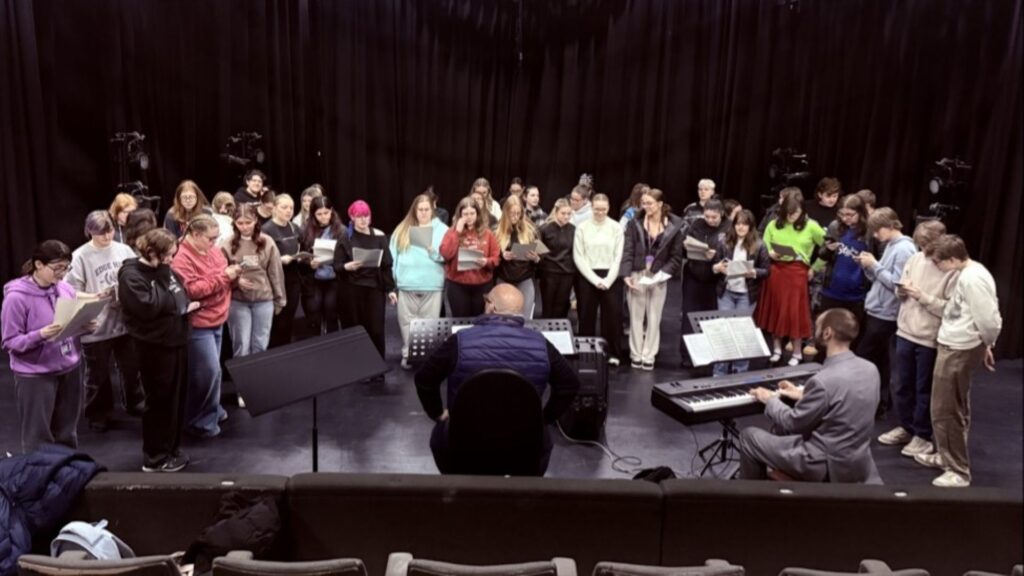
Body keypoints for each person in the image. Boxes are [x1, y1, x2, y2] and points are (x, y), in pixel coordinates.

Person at [413, 284, 581, 474]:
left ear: (491, 306)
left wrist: (437, 412)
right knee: (543, 440)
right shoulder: (541, 343)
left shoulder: (460, 340)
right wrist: (543, 418)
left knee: (440, 436)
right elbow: (570, 384)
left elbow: (424, 379)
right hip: (524, 446)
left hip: (465, 444)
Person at [739, 308, 881, 484]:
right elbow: (846, 401)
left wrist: (770, 400)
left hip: (822, 462)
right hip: (857, 460)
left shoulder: (823, 381)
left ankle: (749, 502)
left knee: (749, 437)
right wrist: (803, 395)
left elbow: (793, 423)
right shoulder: (870, 369)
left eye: (818, 326)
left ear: (827, 333)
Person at [913, 235, 1002, 488]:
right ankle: (946, 456)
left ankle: (958, 471)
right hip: (955, 344)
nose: (937, 267)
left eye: (939, 262)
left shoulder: (973, 278)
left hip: (958, 348)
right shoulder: (966, 274)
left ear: (953, 259)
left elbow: (990, 318)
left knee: (946, 411)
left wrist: (988, 343)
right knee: (952, 407)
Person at [118, 228, 197, 472]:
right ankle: (155, 458)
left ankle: (170, 450)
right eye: (167, 256)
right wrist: (174, 302)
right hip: (155, 348)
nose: (171, 261)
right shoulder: (132, 275)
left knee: (175, 400)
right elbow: (150, 307)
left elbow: (178, 295)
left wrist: (179, 306)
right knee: (160, 401)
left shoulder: (163, 270)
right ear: (151, 252)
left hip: (176, 341)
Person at [1, 240, 92, 452]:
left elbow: (66, 327)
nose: (62, 273)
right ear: (38, 265)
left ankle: (66, 473)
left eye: (66, 267)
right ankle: (40, 477)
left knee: (67, 432)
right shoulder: (16, 298)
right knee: (38, 435)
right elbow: (9, 342)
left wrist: (84, 327)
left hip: (69, 367)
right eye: (57, 268)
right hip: (36, 374)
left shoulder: (64, 288)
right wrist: (39, 335)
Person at [876, 221, 956, 458]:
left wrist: (922, 297)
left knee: (924, 389)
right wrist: (902, 290)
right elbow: (901, 288)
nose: (924, 251)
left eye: (927, 246)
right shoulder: (916, 258)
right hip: (905, 331)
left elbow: (949, 309)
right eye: (920, 245)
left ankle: (922, 435)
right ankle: (906, 426)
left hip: (929, 337)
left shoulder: (950, 269)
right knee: (901, 385)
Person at [66, 211, 145, 432]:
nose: (107, 237)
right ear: (89, 231)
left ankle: (135, 401)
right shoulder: (80, 256)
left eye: (109, 231)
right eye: (101, 234)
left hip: (124, 321)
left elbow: (136, 276)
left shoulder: (123, 250)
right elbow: (70, 291)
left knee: (131, 367)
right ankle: (98, 412)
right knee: (97, 373)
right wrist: (97, 296)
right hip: (96, 325)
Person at [172, 214, 239, 438]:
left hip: (217, 317)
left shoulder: (213, 250)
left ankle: (211, 409)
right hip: (198, 323)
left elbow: (218, 276)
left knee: (213, 372)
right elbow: (192, 290)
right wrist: (223, 277)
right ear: (195, 235)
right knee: (207, 372)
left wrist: (231, 276)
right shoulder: (181, 258)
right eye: (211, 239)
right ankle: (198, 420)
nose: (214, 243)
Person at [854, 208, 917, 418]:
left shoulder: (904, 250)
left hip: (886, 314)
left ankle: (873, 403)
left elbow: (898, 287)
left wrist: (875, 266)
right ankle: (880, 403)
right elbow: (880, 280)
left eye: (876, 230)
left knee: (866, 358)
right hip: (877, 309)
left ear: (890, 226)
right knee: (879, 360)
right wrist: (868, 266)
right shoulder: (891, 245)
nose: (874, 235)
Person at [755, 190, 826, 366]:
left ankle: (797, 352)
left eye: (795, 213)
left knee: (794, 312)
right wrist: (771, 254)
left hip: (797, 273)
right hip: (776, 271)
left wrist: (814, 268)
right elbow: (764, 246)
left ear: (802, 210)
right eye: (789, 213)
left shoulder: (811, 225)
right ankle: (777, 348)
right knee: (776, 310)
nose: (792, 217)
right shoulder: (773, 224)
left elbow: (827, 247)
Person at [620, 188, 684, 370]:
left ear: (660, 204)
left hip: (659, 275)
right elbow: (628, 250)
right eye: (644, 203)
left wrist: (662, 274)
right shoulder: (635, 223)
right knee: (636, 317)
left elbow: (676, 258)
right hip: (638, 273)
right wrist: (626, 274)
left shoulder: (674, 226)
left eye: (649, 203)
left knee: (655, 317)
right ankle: (636, 354)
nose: (645, 206)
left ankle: (649, 354)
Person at [390, 193, 448, 369]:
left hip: (432, 283)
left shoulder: (443, 230)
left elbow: (447, 256)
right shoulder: (402, 228)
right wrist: (394, 282)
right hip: (406, 284)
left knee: (429, 322)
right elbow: (393, 257)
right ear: (414, 210)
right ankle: (408, 354)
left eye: (426, 209)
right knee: (407, 321)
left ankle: (425, 356)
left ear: (432, 210)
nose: (423, 213)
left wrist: (431, 250)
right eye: (420, 209)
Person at [219, 204, 285, 358]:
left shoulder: (267, 242)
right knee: (241, 345)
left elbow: (275, 272)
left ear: (255, 220)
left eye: (248, 222)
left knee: (260, 345)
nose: (244, 227)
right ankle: (242, 380)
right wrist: (236, 282)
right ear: (234, 223)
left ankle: (258, 379)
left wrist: (279, 298)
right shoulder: (226, 245)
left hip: (263, 300)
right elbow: (220, 276)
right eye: (240, 223)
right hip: (238, 301)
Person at [711, 209, 770, 375]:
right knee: (723, 333)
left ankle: (740, 371)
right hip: (726, 292)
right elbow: (716, 264)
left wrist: (754, 273)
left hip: (746, 294)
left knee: (742, 333)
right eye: (738, 224)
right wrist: (717, 268)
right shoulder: (724, 241)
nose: (741, 227)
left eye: (744, 224)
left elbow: (766, 271)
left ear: (750, 226)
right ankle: (719, 371)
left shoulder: (759, 244)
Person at [334, 200, 396, 359]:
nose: (363, 220)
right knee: (356, 329)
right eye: (359, 217)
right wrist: (347, 266)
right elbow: (337, 265)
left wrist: (390, 289)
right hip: (352, 289)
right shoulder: (345, 237)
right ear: (352, 218)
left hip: (374, 288)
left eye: (366, 216)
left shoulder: (379, 236)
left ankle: (377, 366)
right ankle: (360, 365)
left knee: (376, 329)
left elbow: (386, 265)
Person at [573, 193, 624, 365]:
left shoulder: (616, 228)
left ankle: (612, 354)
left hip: (611, 276)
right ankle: (586, 353)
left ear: (608, 208)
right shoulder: (582, 228)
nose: (600, 212)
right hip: (587, 275)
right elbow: (579, 256)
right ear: (591, 208)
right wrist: (595, 280)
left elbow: (618, 256)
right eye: (597, 209)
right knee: (586, 315)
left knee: (612, 317)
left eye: (603, 209)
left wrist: (608, 280)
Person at [678, 199, 728, 367]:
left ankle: (709, 356)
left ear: (721, 213)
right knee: (689, 316)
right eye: (707, 216)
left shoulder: (728, 227)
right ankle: (687, 355)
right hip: (694, 274)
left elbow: (733, 252)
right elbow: (683, 247)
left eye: (714, 217)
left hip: (715, 279)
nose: (710, 220)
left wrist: (715, 255)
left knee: (711, 319)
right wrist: (689, 247)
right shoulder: (697, 225)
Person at [440, 196, 500, 317]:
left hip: (482, 285)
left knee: (480, 321)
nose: (469, 217)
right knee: (460, 321)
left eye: (472, 213)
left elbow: (496, 257)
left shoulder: (487, 233)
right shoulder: (451, 232)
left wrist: (487, 262)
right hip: (458, 285)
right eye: (465, 214)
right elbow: (446, 254)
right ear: (459, 215)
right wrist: (457, 232)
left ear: (477, 214)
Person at [817, 194, 872, 326]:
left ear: (861, 212)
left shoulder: (869, 231)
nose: (845, 218)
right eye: (842, 214)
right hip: (831, 290)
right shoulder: (835, 226)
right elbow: (822, 255)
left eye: (850, 215)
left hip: (856, 294)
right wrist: (828, 249)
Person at [299, 196, 346, 335]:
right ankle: (316, 343)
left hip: (334, 277)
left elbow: (346, 255)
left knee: (331, 310)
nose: (323, 217)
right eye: (319, 214)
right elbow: (302, 255)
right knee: (314, 311)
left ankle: (333, 343)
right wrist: (309, 262)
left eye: (326, 213)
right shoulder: (306, 230)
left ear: (331, 211)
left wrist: (335, 260)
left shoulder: (340, 230)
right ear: (313, 214)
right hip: (314, 278)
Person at [262, 194, 303, 347]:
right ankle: (274, 350)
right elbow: (262, 258)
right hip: (275, 280)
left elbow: (303, 246)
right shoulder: (266, 229)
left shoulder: (294, 227)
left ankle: (286, 349)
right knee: (277, 319)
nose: (288, 211)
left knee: (289, 317)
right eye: (284, 207)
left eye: (291, 208)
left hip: (293, 278)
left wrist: (303, 257)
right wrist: (279, 260)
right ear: (274, 208)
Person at [494, 196, 540, 319]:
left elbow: (540, 255)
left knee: (524, 318)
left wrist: (535, 258)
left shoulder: (530, 230)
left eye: (518, 213)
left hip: (524, 277)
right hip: (504, 277)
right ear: (505, 213)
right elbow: (491, 255)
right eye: (512, 213)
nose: (515, 217)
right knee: (503, 317)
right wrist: (501, 255)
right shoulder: (496, 230)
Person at [537, 199, 576, 319]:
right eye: (563, 213)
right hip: (549, 272)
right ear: (556, 212)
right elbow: (539, 251)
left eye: (569, 214)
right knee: (548, 306)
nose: (566, 216)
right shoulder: (544, 229)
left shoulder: (573, 230)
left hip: (567, 273)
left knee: (562, 306)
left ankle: (560, 334)